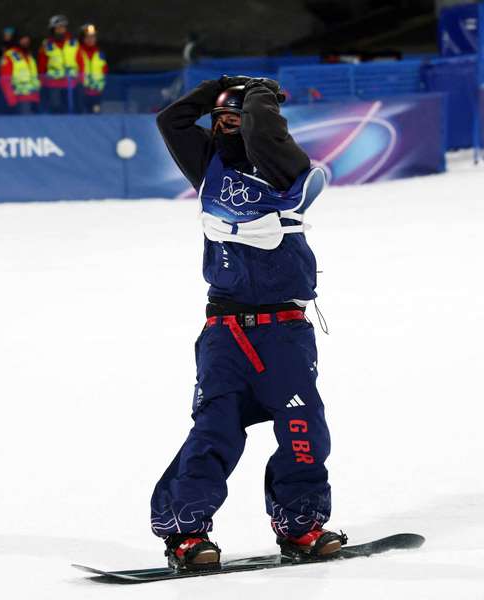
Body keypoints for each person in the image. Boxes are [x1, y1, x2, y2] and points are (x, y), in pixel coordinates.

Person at [150, 76, 345, 570]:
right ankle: (187, 533)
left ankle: (301, 526)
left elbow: (261, 135)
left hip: (284, 330)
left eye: (234, 120)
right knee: (214, 431)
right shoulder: (210, 169)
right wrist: (221, 86)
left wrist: (256, 96)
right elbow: (171, 120)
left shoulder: (286, 171)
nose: (225, 128)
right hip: (226, 332)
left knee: (303, 429)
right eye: (219, 121)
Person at [37, 14, 80, 114]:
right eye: (58, 27)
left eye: (63, 27)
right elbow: (42, 64)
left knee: (71, 107)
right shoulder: (47, 45)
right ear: (53, 29)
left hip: (70, 82)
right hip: (54, 83)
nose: (61, 30)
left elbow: (80, 61)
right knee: (55, 106)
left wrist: (80, 78)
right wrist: (42, 81)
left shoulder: (73, 43)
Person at [0, 29, 39, 114]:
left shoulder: (29, 56)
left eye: (27, 39)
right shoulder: (10, 55)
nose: (26, 41)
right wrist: (11, 99)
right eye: (23, 39)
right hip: (19, 99)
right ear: (17, 40)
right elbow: (4, 80)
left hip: (33, 97)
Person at [76, 23, 107, 114]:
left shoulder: (100, 54)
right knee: (80, 114)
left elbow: (104, 71)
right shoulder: (77, 52)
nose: (91, 39)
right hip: (81, 91)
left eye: (93, 37)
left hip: (96, 92)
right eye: (87, 37)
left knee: (96, 114)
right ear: (82, 38)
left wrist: (100, 86)